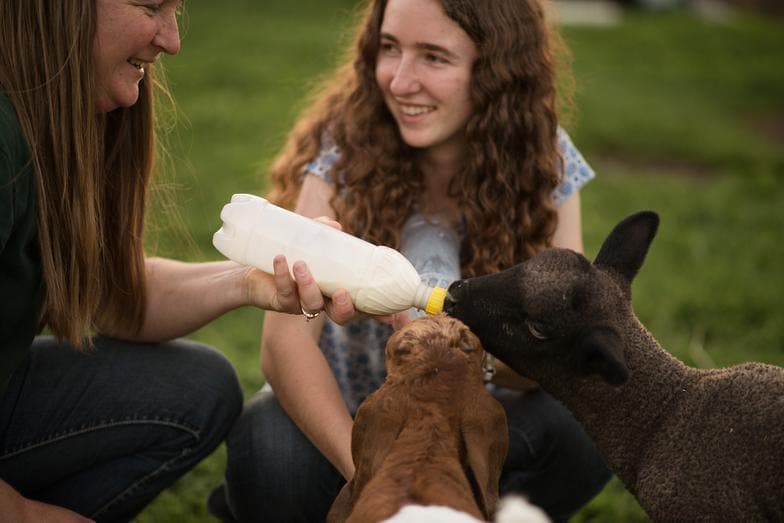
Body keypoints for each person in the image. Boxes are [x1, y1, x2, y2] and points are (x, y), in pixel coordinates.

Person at [212, 0, 612, 521]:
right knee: (270, 449)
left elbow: (562, 347)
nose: (400, 81)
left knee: (587, 419)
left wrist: (474, 358)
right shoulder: (344, 152)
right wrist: (377, 479)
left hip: (469, 420)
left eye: (434, 57)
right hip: (346, 419)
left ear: (495, 71)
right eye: (389, 48)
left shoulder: (545, 165)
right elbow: (283, 347)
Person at [0, 1, 355, 521]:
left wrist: (247, 282)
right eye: (149, 6)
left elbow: (106, 297)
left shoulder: (61, 111)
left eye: (176, 10)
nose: (172, 39)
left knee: (194, 386)